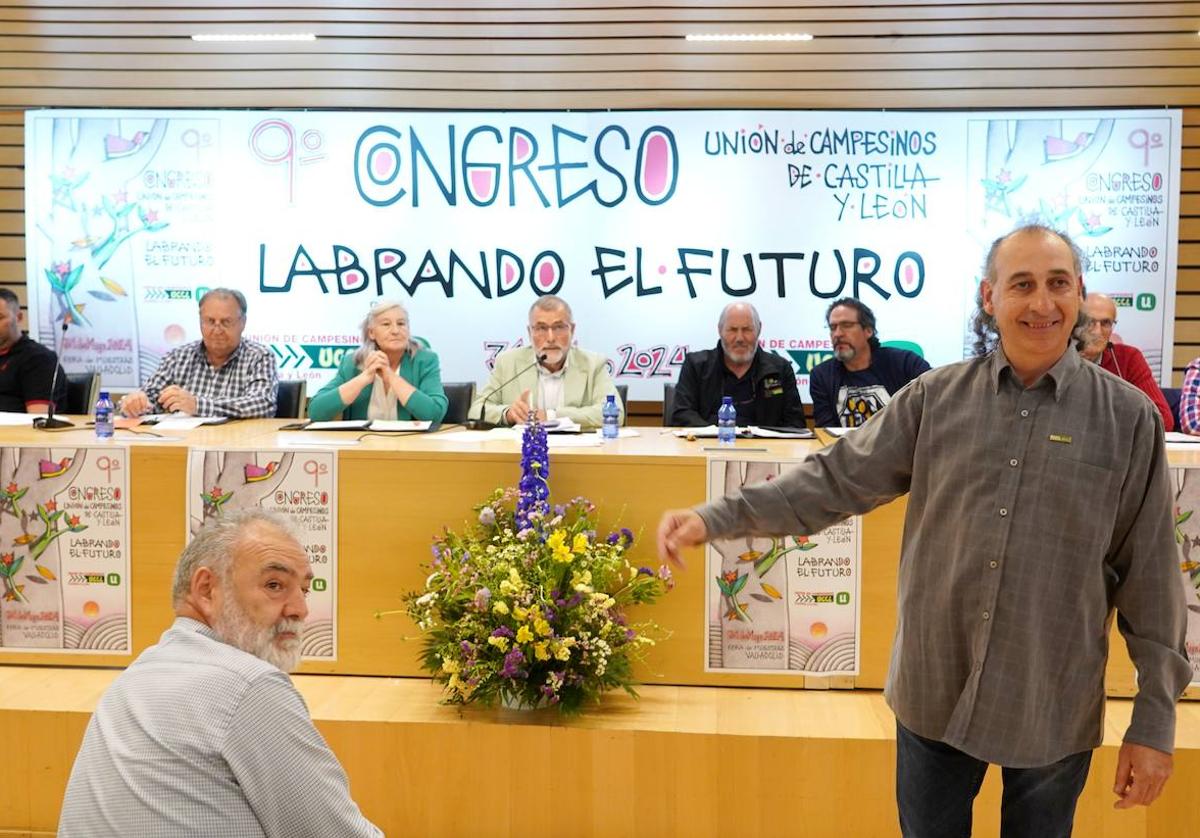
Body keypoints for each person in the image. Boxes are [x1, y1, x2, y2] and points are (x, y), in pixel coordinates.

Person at [657, 224, 1190, 837]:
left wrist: (1154, 722)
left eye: (1057, 284)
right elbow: (833, 481)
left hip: (1051, 700)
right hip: (934, 690)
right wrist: (714, 517)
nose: (1042, 303)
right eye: (1022, 285)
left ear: (1079, 294)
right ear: (989, 297)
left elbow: (1151, 582)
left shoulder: (1128, 419)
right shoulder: (936, 399)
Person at [58, 509, 382, 838]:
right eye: (275, 585)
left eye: (305, 590)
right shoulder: (248, 686)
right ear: (206, 589)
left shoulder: (134, 676)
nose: (300, 609)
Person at [468, 295, 621, 429]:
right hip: (521, 453)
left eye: (559, 327)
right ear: (530, 332)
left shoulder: (593, 364)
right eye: (541, 328)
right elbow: (476, 409)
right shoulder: (508, 362)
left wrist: (551, 416)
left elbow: (616, 414)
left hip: (576, 454)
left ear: (572, 330)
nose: (550, 338)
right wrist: (508, 413)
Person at [119, 288, 277, 418]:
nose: (217, 330)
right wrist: (135, 402)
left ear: (243, 323)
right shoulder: (178, 357)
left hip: (236, 446)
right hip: (182, 446)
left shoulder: (259, 357)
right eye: (210, 321)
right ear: (200, 322)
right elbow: (150, 396)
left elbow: (262, 404)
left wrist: (197, 405)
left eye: (226, 322)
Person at [308, 299, 447, 422]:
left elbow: (434, 415)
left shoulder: (424, 361)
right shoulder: (352, 363)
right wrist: (364, 378)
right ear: (371, 333)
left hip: (410, 446)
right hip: (363, 447)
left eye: (401, 323)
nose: (395, 330)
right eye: (386, 324)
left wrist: (391, 376)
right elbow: (316, 412)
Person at [669, 302, 804, 427]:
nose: (739, 338)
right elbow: (682, 415)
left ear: (759, 330)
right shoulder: (696, 366)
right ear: (720, 330)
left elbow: (795, 423)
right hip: (707, 448)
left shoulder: (780, 370)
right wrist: (719, 433)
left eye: (747, 329)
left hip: (765, 450)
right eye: (732, 330)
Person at [809, 297, 931, 428]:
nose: (837, 334)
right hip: (845, 447)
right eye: (833, 327)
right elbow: (827, 431)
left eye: (846, 325)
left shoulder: (905, 363)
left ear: (868, 330)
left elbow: (934, 404)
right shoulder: (822, 375)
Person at [1078, 292, 1173, 431]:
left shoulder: (1128, 358)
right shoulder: (1055, 358)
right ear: (1075, 323)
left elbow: (1163, 420)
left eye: (1105, 323)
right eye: (1089, 322)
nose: (1097, 331)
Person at [0, 288, 67, 414]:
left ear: (18, 317)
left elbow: (38, 419)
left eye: (0, 317)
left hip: (17, 432)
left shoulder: (39, 359)